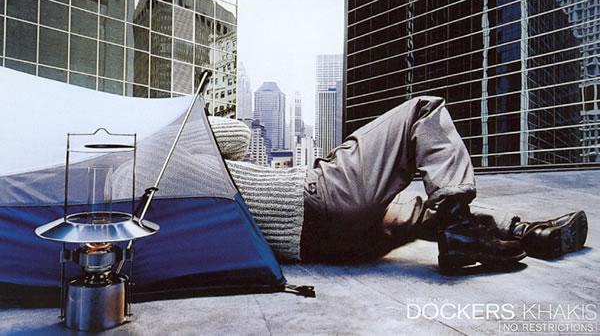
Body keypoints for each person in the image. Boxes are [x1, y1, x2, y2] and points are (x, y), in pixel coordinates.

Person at [211, 96, 588, 273]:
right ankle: (462, 232)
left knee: (420, 215)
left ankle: (529, 234)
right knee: (422, 113)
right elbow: (238, 137)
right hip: (315, 198)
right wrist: (193, 118)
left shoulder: (171, 214)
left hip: (323, 248)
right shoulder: (178, 144)